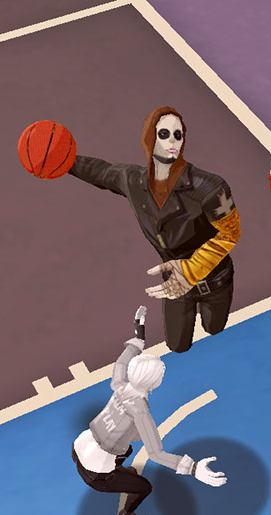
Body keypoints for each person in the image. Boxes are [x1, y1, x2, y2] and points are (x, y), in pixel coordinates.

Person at [67, 106, 241, 353]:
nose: (172, 141)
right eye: (164, 134)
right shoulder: (133, 181)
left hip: (216, 279)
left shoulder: (210, 187)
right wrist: (65, 161)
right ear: (150, 138)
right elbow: (102, 172)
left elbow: (230, 233)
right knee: (177, 346)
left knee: (215, 330)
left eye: (178, 135)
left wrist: (191, 270)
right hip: (174, 283)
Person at [73, 306, 226, 515]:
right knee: (144, 487)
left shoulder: (119, 384)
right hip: (96, 474)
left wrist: (139, 333)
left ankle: (117, 471)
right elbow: (156, 454)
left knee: (127, 449)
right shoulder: (140, 413)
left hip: (79, 447)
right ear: (156, 383)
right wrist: (194, 469)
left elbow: (122, 362)